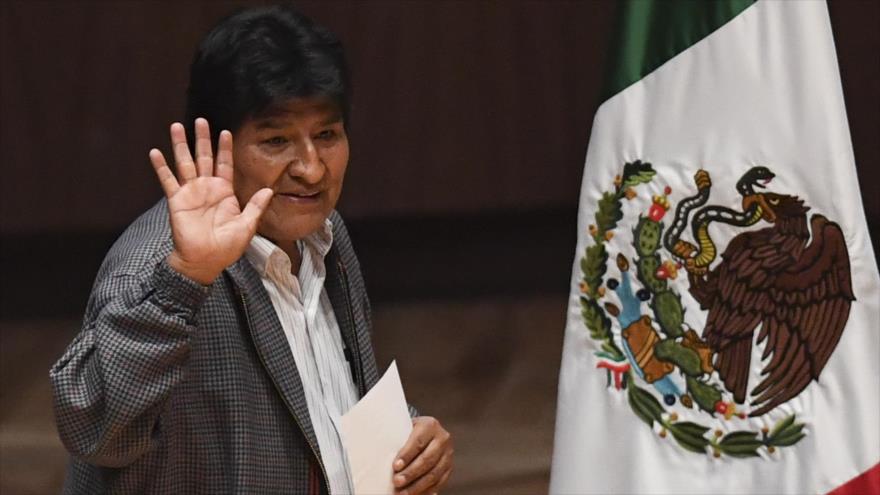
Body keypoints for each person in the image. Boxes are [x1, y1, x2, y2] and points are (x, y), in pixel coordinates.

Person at [49, 5, 453, 494]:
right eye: (277, 139)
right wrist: (185, 278)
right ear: (215, 144)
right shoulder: (154, 266)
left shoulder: (325, 233)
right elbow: (92, 430)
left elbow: (321, 401)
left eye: (326, 134)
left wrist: (408, 441)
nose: (311, 168)